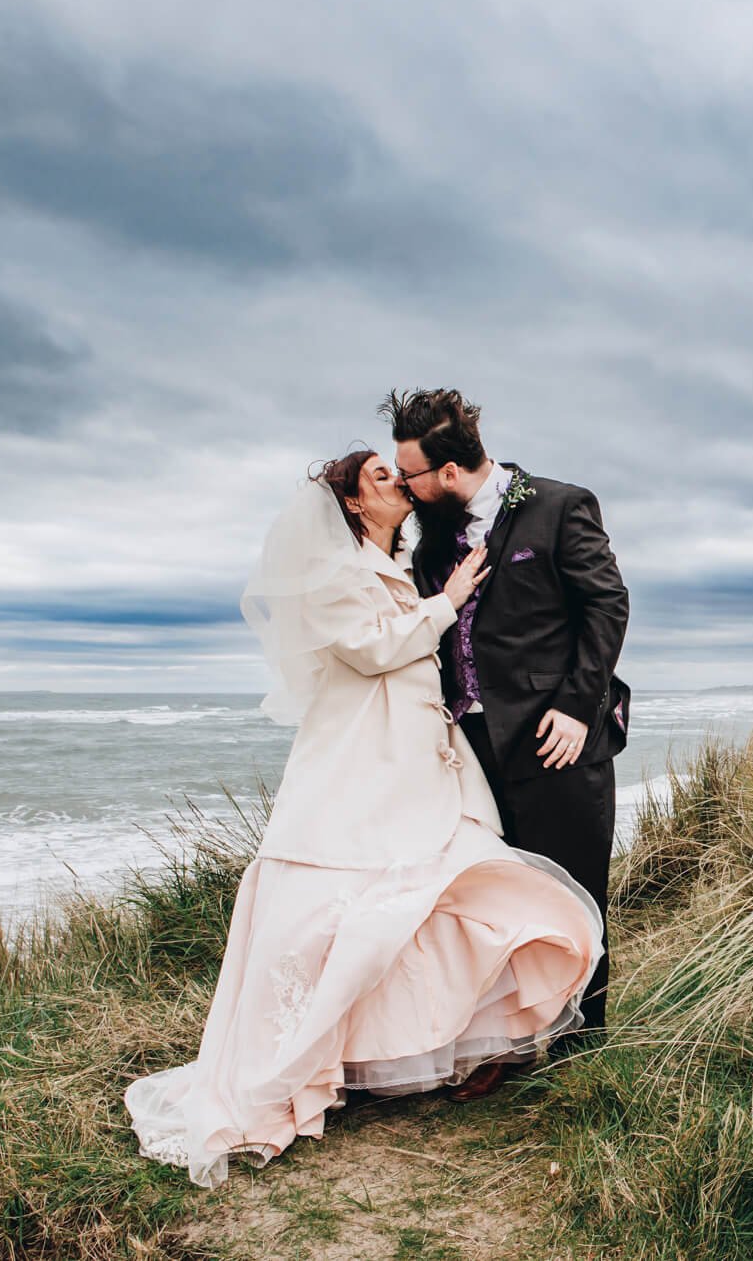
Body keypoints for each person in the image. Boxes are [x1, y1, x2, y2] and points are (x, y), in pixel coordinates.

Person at [124, 449, 602, 1188]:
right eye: (381, 477)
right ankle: (304, 1061)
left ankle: (446, 1042)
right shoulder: (334, 573)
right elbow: (375, 647)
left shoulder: (407, 565)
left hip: (424, 764)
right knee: (344, 909)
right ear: (352, 503)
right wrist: (445, 602)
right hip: (364, 769)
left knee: (451, 892)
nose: (399, 483)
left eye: (399, 472)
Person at [387, 389, 629, 1098]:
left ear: (454, 470)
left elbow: (606, 604)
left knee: (575, 895)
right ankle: (510, 1043)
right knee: (495, 904)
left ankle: (581, 1055)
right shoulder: (431, 537)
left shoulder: (560, 505)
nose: (405, 487)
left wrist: (578, 709)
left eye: (412, 476)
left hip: (559, 740)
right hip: (468, 750)